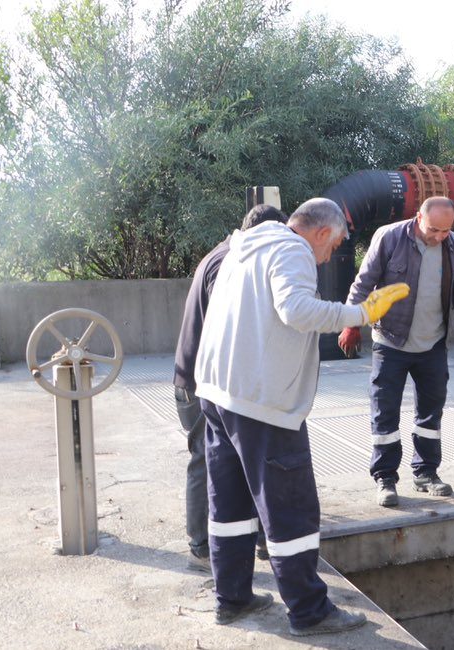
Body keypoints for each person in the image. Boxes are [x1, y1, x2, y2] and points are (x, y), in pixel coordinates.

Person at [194, 198, 409, 634]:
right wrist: (361, 313)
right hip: (262, 403)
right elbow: (295, 310)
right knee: (290, 508)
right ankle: (310, 612)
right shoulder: (292, 249)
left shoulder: (243, 248)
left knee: (230, 504)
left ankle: (231, 598)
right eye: (335, 244)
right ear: (321, 233)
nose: (330, 255)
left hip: (217, 394)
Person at [338, 196, 454, 508]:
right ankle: (385, 478)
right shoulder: (389, 238)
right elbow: (363, 284)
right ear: (418, 218)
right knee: (384, 411)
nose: (439, 236)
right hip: (391, 341)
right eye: (434, 230)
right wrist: (351, 324)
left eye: (445, 231)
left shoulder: (453, 246)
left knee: (431, 411)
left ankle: (426, 473)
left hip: (432, 344)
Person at [173, 204, 286, 573]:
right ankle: (202, 546)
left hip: (201, 380)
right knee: (208, 462)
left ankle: (252, 538)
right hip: (206, 384)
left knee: (235, 460)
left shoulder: (223, 255)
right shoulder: (228, 266)